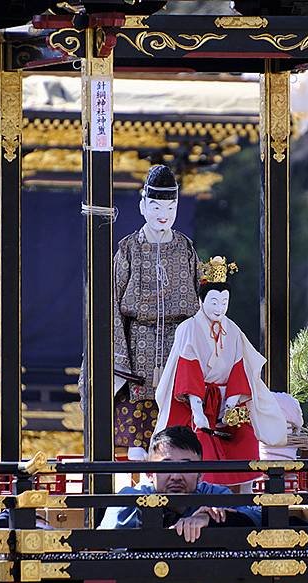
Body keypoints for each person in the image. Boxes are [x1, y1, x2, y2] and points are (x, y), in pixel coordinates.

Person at [154, 257, 289, 487]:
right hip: (195, 400)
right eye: (214, 302)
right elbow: (189, 369)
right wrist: (198, 411)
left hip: (226, 399)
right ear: (201, 300)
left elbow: (239, 369)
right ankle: (204, 497)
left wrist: (229, 405)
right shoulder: (189, 328)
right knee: (200, 441)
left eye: (224, 302)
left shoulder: (232, 329)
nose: (220, 308)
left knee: (244, 438)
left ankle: (246, 496)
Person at [111, 165, 201, 459]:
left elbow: (199, 302)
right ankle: (136, 485)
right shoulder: (127, 249)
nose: (164, 213)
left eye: (171, 206)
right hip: (138, 346)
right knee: (138, 428)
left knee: (176, 421)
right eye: (156, 205)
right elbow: (112, 303)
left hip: (177, 342)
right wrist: (120, 357)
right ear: (142, 206)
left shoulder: (185, 248)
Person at [99, 426, 260, 541]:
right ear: (149, 472)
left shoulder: (214, 496)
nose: (176, 476)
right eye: (166, 466)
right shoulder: (132, 497)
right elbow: (106, 537)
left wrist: (212, 519)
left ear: (201, 473)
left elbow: (257, 517)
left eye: (186, 466)